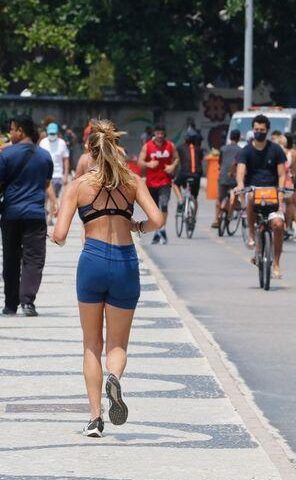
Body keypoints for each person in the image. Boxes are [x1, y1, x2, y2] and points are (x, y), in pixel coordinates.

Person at [51, 119, 164, 437]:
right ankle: (114, 377)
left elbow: (60, 234)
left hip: (92, 261)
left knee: (91, 343)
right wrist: (137, 226)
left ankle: (94, 419)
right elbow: (157, 219)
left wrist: (55, 237)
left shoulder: (78, 186)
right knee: (117, 344)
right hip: (125, 261)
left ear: (89, 151)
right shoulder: (132, 181)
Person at [0, 115, 58, 317]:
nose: (10, 133)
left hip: (11, 214)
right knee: (34, 259)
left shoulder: (6, 155)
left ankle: (10, 304)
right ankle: (28, 302)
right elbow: (46, 184)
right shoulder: (45, 156)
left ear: (20, 131)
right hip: (35, 214)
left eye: (12, 129)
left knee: (10, 258)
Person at [234, 114, 287, 279]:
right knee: (250, 197)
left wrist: (281, 192)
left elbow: (282, 174)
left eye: (262, 130)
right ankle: (251, 234)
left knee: (278, 225)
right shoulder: (246, 151)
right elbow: (240, 171)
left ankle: (276, 264)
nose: (259, 132)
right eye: (256, 129)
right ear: (252, 130)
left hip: (272, 194)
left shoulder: (276, 150)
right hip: (254, 192)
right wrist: (240, 184)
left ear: (267, 130)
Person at [137, 124, 179, 245]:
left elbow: (176, 158)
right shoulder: (147, 146)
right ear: (154, 134)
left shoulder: (170, 145)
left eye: (162, 133)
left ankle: (162, 229)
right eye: (157, 133)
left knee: (164, 205)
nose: (160, 135)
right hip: (151, 182)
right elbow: (140, 162)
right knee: (154, 209)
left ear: (164, 134)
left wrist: (172, 166)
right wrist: (148, 164)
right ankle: (157, 231)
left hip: (165, 181)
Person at [39, 122, 70, 225]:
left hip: (57, 175)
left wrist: (65, 175)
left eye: (53, 133)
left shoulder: (62, 143)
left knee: (53, 197)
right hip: (44, 175)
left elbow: (66, 159)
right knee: (44, 198)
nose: (52, 135)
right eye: (50, 133)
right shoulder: (43, 142)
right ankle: (44, 216)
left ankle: (50, 218)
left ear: (57, 133)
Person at [172, 131, 204, 219]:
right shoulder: (199, 149)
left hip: (184, 173)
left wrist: (173, 172)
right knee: (194, 197)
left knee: (175, 184)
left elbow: (177, 160)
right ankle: (193, 218)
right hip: (196, 175)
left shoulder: (180, 148)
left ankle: (180, 200)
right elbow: (200, 160)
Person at [214, 129, 241, 228]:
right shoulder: (240, 150)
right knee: (234, 196)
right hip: (234, 177)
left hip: (223, 177)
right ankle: (230, 214)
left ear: (230, 138)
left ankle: (216, 219)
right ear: (239, 138)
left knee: (219, 198)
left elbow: (220, 162)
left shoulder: (223, 148)